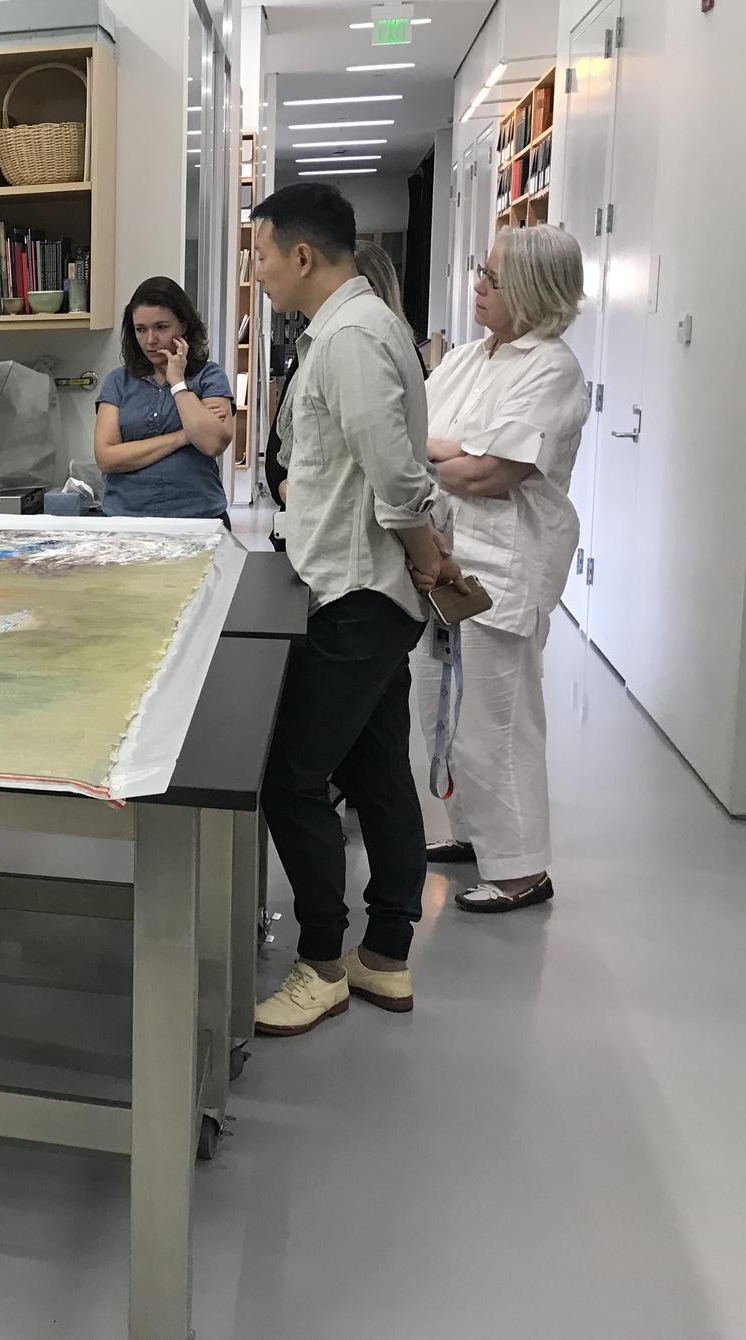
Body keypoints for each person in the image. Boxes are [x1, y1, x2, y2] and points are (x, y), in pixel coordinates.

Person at [245, 183, 460, 1037]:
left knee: (291, 778)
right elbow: (342, 460)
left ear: (301, 256)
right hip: (360, 586)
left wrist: (428, 556)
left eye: (260, 254)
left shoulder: (354, 339)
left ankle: (322, 960)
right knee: (375, 775)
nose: (256, 273)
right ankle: (386, 956)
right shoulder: (352, 330)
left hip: (359, 596)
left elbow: (397, 477)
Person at [414, 225, 590, 913]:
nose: (478, 287)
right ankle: (474, 836)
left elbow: (492, 473)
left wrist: (445, 455)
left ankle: (522, 870)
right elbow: (417, 440)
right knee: (442, 707)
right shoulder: (466, 359)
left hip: (503, 566)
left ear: (535, 291)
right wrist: (448, 452)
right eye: (481, 273)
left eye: (492, 277)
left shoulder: (550, 366)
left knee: (498, 717)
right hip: (444, 559)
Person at [267, 241, 411, 546]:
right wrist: (298, 493)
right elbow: (276, 463)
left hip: (355, 541)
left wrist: (423, 550)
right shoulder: (311, 350)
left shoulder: (360, 341)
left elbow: (389, 470)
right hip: (307, 530)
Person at [93, 275, 236, 523]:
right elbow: (106, 458)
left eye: (161, 327)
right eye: (141, 329)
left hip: (199, 517)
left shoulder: (209, 376)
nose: (150, 340)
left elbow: (212, 442)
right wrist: (184, 436)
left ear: (182, 325)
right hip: (127, 519)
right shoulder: (118, 382)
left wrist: (178, 382)